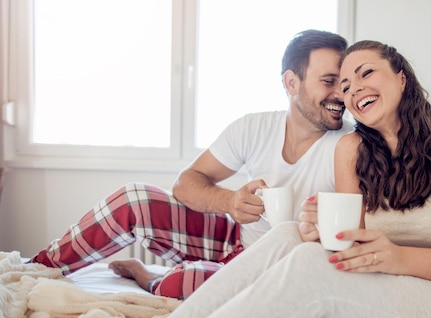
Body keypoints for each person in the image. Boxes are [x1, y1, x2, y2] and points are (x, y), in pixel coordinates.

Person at [37, 40, 431, 318]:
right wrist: (313, 230)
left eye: (366, 73)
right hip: (392, 315)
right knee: (288, 239)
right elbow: (352, 251)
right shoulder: (353, 154)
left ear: (401, 77)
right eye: (344, 82)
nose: (351, 88)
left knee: (308, 268)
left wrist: (395, 256)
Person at [30, 29, 352, 299]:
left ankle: (147, 277)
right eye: (329, 81)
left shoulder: (350, 145)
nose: (341, 94)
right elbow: (186, 183)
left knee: (185, 282)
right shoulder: (254, 128)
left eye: (345, 84)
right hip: (233, 239)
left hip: (274, 267)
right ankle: (35, 269)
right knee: (134, 199)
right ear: (291, 83)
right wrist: (231, 201)